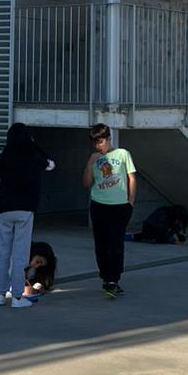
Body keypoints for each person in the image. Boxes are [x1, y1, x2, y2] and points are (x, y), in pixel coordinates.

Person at [0, 122, 55, 308]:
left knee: (3, 252)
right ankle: (17, 297)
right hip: (25, 210)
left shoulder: (4, 156)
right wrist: (34, 144)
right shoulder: (33, 156)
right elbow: (51, 164)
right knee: (20, 255)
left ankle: (0, 294)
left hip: (4, 209)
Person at [83, 124, 137, 297]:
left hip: (120, 206)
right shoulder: (94, 158)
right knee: (101, 244)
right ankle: (106, 278)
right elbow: (86, 184)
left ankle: (114, 279)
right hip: (99, 205)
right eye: (95, 143)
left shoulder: (123, 154)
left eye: (100, 142)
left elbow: (131, 177)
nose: (98, 146)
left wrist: (131, 201)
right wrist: (89, 164)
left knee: (116, 243)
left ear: (108, 139)